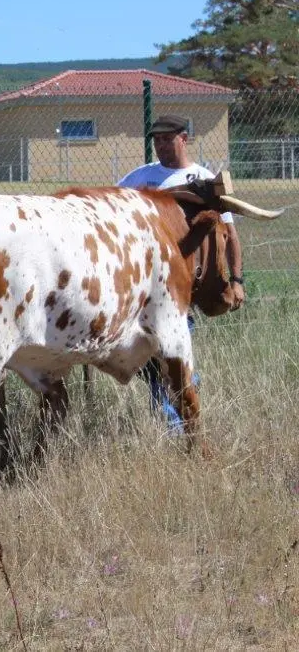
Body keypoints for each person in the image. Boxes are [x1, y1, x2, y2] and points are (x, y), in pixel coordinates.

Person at [118, 114, 245, 432]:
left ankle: (175, 423)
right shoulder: (140, 178)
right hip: (142, 289)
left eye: (167, 139)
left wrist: (237, 280)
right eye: (156, 140)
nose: (161, 145)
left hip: (182, 289)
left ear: (183, 139)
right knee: (153, 362)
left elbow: (229, 235)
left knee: (170, 354)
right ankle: (177, 412)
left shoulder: (204, 180)